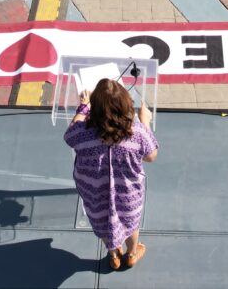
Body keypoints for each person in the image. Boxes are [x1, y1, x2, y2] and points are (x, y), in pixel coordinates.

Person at [64, 78, 158, 271]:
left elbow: (69, 136)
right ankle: (131, 254)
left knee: (106, 224)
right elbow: (151, 156)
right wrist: (145, 121)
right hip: (128, 194)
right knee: (130, 223)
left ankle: (114, 255)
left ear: (95, 109)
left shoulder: (83, 133)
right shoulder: (137, 133)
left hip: (95, 194)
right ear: (125, 106)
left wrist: (83, 107)